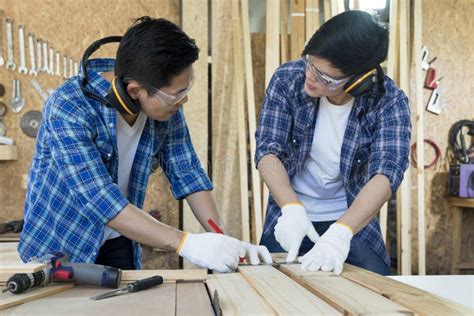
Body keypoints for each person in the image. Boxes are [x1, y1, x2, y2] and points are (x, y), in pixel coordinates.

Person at [19, 16, 271, 272]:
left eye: (186, 90)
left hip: (119, 239)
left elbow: (188, 174)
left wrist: (221, 239)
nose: (183, 101)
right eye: (177, 94)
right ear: (134, 91)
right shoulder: (69, 107)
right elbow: (100, 199)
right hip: (61, 245)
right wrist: (186, 243)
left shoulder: (165, 108)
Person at [255, 10, 411, 275]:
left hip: (351, 220)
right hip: (289, 216)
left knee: (378, 295)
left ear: (358, 81)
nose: (310, 77)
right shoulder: (287, 80)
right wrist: (291, 209)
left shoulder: (389, 101)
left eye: (325, 77)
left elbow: (386, 173)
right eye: (309, 63)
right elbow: (268, 151)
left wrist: (341, 233)